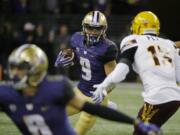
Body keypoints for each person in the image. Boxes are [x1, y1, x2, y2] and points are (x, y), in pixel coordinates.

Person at [0, 44, 161, 135]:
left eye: (21, 69)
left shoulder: (57, 88)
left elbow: (91, 108)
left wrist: (135, 122)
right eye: (13, 68)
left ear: (36, 69)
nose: (15, 74)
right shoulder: (6, 93)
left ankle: (108, 102)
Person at [92, 11, 180, 135]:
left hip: (157, 98)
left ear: (137, 26)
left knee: (140, 131)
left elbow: (121, 71)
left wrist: (104, 85)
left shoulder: (133, 40)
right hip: (175, 99)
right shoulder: (168, 44)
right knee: (150, 130)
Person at [55, 10, 118, 135]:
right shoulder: (76, 38)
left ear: (104, 29)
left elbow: (113, 78)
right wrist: (70, 57)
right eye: (90, 28)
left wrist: (103, 91)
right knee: (53, 114)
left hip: (96, 97)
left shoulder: (107, 48)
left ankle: (104, 105)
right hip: (79, 91)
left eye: (98, 29)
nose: (94, 32)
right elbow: (77, 54)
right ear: (84, 27)